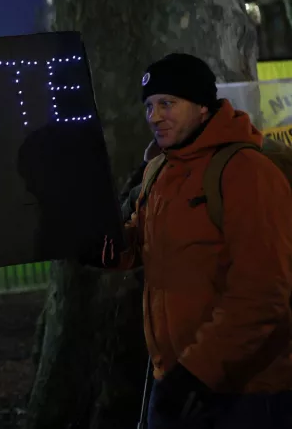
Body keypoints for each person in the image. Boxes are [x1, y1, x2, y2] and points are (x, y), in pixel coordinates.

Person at [108, 53, 292, 428]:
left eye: (167, 103)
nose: (154, 116)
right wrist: (105, 248)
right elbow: (145, 241)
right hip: (177, 382)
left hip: (245, 392)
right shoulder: (161, 169)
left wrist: (196, 373)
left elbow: (262, 293)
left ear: (203, 108)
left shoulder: (246, 171)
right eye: (149, 106)